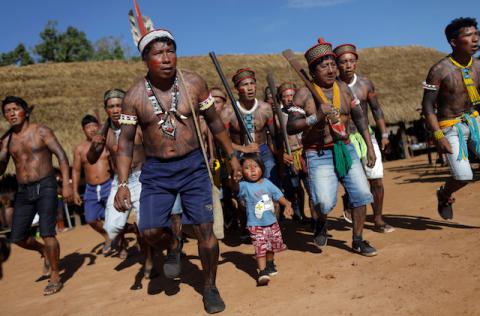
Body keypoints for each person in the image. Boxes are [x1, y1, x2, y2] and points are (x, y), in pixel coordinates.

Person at [113, 27, 241, 314]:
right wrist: (122, 183)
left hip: (193, 165)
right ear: (146, 59)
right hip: (156, 170)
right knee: (148, 232)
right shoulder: (134, 96)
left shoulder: (193, 83)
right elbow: (124, 144)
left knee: (205, 230)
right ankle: (174, 242)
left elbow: (216, 123)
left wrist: (231, 156)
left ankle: (209, 286)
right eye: (158, 53)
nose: (167, 58)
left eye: (171, 51)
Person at [286, 38, 378, 256]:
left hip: (345, 147)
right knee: (324, 202)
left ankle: (358, 239)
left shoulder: (344, 89)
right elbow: (291, 127)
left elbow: (360, 118)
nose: (330, 69)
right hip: (318, 152)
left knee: (362, 194)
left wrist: (370, 147)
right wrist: (315, 117)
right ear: (313, 71)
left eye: (332, 65)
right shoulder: (304, 94)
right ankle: (320, 222)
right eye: (324, 65)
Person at [0, 96, 72, 295]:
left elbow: (62, 156)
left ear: (25, 111)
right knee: (17, 237)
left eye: (15, 109)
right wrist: (1, 151)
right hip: (23, 190)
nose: (12, 113)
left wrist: (66, 184)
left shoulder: (41, 131)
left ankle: (55, 275)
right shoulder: (7, 139)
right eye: (7, 111)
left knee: (48, 232)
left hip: (46, 185)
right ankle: (43, 251)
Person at [421, 17, 480, 220]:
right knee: (463, 176)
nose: (475, 39)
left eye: (477, 34)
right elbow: (427, 106)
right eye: (469, 35)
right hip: (450, 127)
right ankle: (444, 194)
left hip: (474, 121)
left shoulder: (478, 66)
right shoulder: (439, 70)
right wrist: (439, 136)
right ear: (454, 42)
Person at [334, 43, 394, 233]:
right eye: (343, 62)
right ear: (337, 65)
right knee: (353, 180)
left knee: (376, 179)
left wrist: (384, 134)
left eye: (351, 61)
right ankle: (349, 200)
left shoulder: (365, 84)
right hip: (344, 139)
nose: (348, 65)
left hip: (365, 135)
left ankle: (378, 219)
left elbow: (376, 110)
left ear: (356, 63)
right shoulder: (333, 87)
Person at [87, 89, 151, 267]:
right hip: (119, 181)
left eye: (118, 105)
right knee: (111, 228)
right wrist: (94, 147)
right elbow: (91, 159)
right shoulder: (104, 133)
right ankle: (137, 233)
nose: (115, 110)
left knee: (147, 226)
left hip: (141, 176)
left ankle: (149, 259)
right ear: (106, 109)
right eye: (110, 106)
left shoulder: (138, 127)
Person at [235, 154, 292, 286]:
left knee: (272, 246)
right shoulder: (244, 186)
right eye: (247, 168)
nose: (252, 170)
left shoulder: (267, 183)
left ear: (262, 167)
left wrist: (287, 204)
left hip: (272, 223)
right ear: (242, 172)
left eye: (255, 166)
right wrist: (234, 180)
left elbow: (278, 195)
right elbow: (235, 188)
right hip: (255, 225)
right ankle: (262, 272)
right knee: (260, 247)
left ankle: (270, 263)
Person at [72, 115, 113, 253]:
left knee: (115, 218)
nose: (92, 129)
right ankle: (108, 237)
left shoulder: (107, 143)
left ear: (99, 127)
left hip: (108, 184)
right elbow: (76, 171)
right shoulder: (79, 149)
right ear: (83, 130)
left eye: (94, 126)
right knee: (90, 219)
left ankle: (122, 242)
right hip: (90, 189)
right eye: (88, 127)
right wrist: (75, 191)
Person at [277, 82, 311, 221]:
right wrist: (282, 155)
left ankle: (316, 220)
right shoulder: (278, 116)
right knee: (295, 189)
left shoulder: (303, 112)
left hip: (306, 153)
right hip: (290, 156)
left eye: (292, 95)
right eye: (286, 96)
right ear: (281, 99)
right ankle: (300, 214)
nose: (289, 98)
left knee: (311, 186)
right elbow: (274, 139)